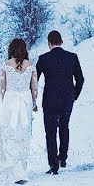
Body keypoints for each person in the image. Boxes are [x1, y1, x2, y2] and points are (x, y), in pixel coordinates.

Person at [0, 38, 38, 185]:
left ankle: (13, 172)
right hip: (25, 102)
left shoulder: (5, 66)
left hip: (10, 102)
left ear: (11, 49)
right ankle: (22, 171)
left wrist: (5, 102)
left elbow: (3, 88)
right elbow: (34, 87)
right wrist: (33, 103)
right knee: (23, 135)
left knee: (9, 135)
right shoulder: (31, 65)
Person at [35, 30, 84, 175]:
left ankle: (53, 165)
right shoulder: (72, 57)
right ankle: (63, 158)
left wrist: (32, 97)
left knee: (50, 132)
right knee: (64, 127)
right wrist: (74, 95)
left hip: (50, 100)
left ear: (49, 43)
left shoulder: (43, 59)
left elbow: (34, 80)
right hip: (67, 99)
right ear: (61, 42)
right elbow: (80, 79)